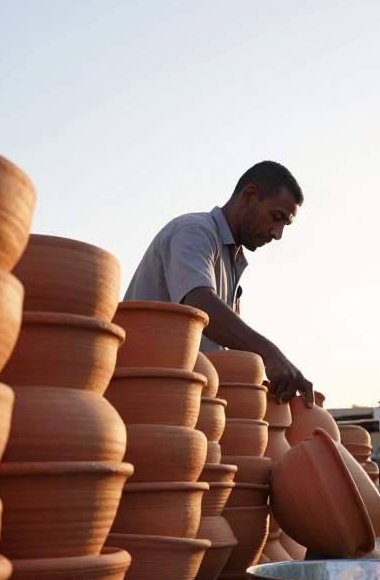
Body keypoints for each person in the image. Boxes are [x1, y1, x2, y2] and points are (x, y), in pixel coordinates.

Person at [125, 160, 313, 404]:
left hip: (182, 398)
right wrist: (270, 354)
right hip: (143, 394)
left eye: (284, 225)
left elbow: (214, 348)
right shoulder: (193, 231)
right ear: (249, 196)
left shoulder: (231, 258)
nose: (277, 234)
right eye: (276, 218)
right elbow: (198, 306)